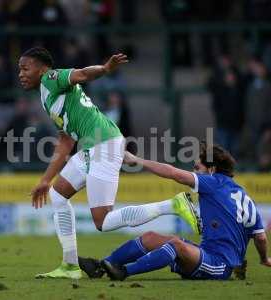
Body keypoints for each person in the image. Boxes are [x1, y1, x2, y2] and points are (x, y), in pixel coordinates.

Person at [18, 47, 201, 279]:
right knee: (58, 195)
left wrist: (104, 69)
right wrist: (45, 180)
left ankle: (172, 205)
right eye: (19, 70)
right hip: (90, 146)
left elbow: (82, 74)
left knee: (102, 221)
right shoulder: (47, 96)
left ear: (43, 69)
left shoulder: (51, 78)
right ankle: (70, 266)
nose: (21, 74)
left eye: (25, 68)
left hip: (103, 144)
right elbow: (65, 140)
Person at [79, 143, 271, 281]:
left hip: (219, 266)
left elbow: (173, 173)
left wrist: (137, 160)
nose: (193, 172)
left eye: (197, 168)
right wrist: (264, 259)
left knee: (176, 245)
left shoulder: (212, 183)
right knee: (151, 237)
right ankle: (101, 266)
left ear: (211, 170)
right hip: (207, 254)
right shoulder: (245, 197)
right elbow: (261, 238)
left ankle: (124, 272)